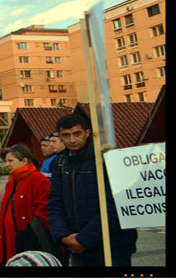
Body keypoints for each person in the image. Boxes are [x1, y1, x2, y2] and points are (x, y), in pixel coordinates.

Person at [47, 114, 137, 266]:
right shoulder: (60, 163)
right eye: (66, 135)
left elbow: (117, 206)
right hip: (75, 247)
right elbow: (55, 203)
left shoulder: (106, 159)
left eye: (77, 133)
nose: (72, 140)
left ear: (87, 133)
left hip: (112, 248)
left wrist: (84, 240)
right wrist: (63, 237)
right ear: (60, 137)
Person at [0, 144, 50, 265]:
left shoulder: (38, 179)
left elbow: (43, 213)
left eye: (11, 161)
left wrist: (27, 237)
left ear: (24, 161)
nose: (7, 165)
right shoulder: (11, 183)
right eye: (6, 161)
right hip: (9, 241)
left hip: (29, 243)